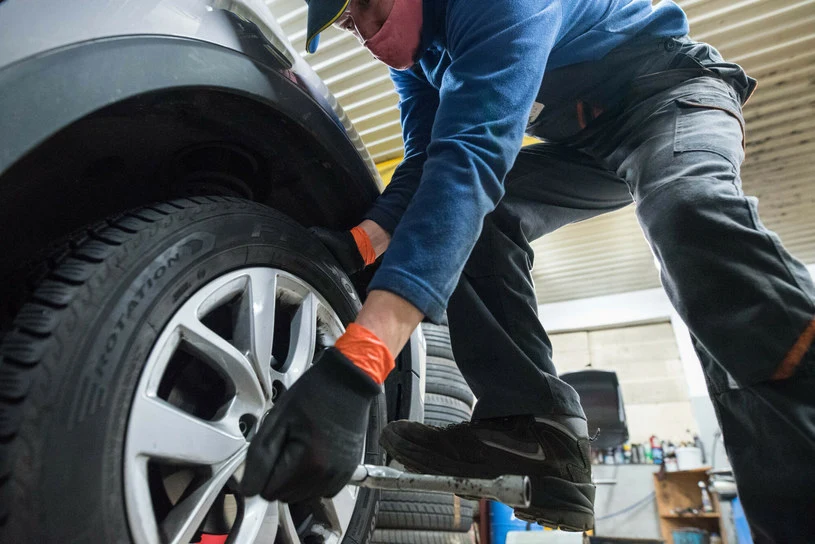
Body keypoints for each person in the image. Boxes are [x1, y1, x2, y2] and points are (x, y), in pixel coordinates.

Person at [242, 0, 815, 538]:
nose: (367, 34)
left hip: (672, 94)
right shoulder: (422, 60)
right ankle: (537, 431)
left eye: (368, 5)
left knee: (690, 212)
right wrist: (354, 248)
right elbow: (423, 166)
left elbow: (470, 160)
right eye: (350, 25)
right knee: (471, 223)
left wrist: (358, 366)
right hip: (587, 145)